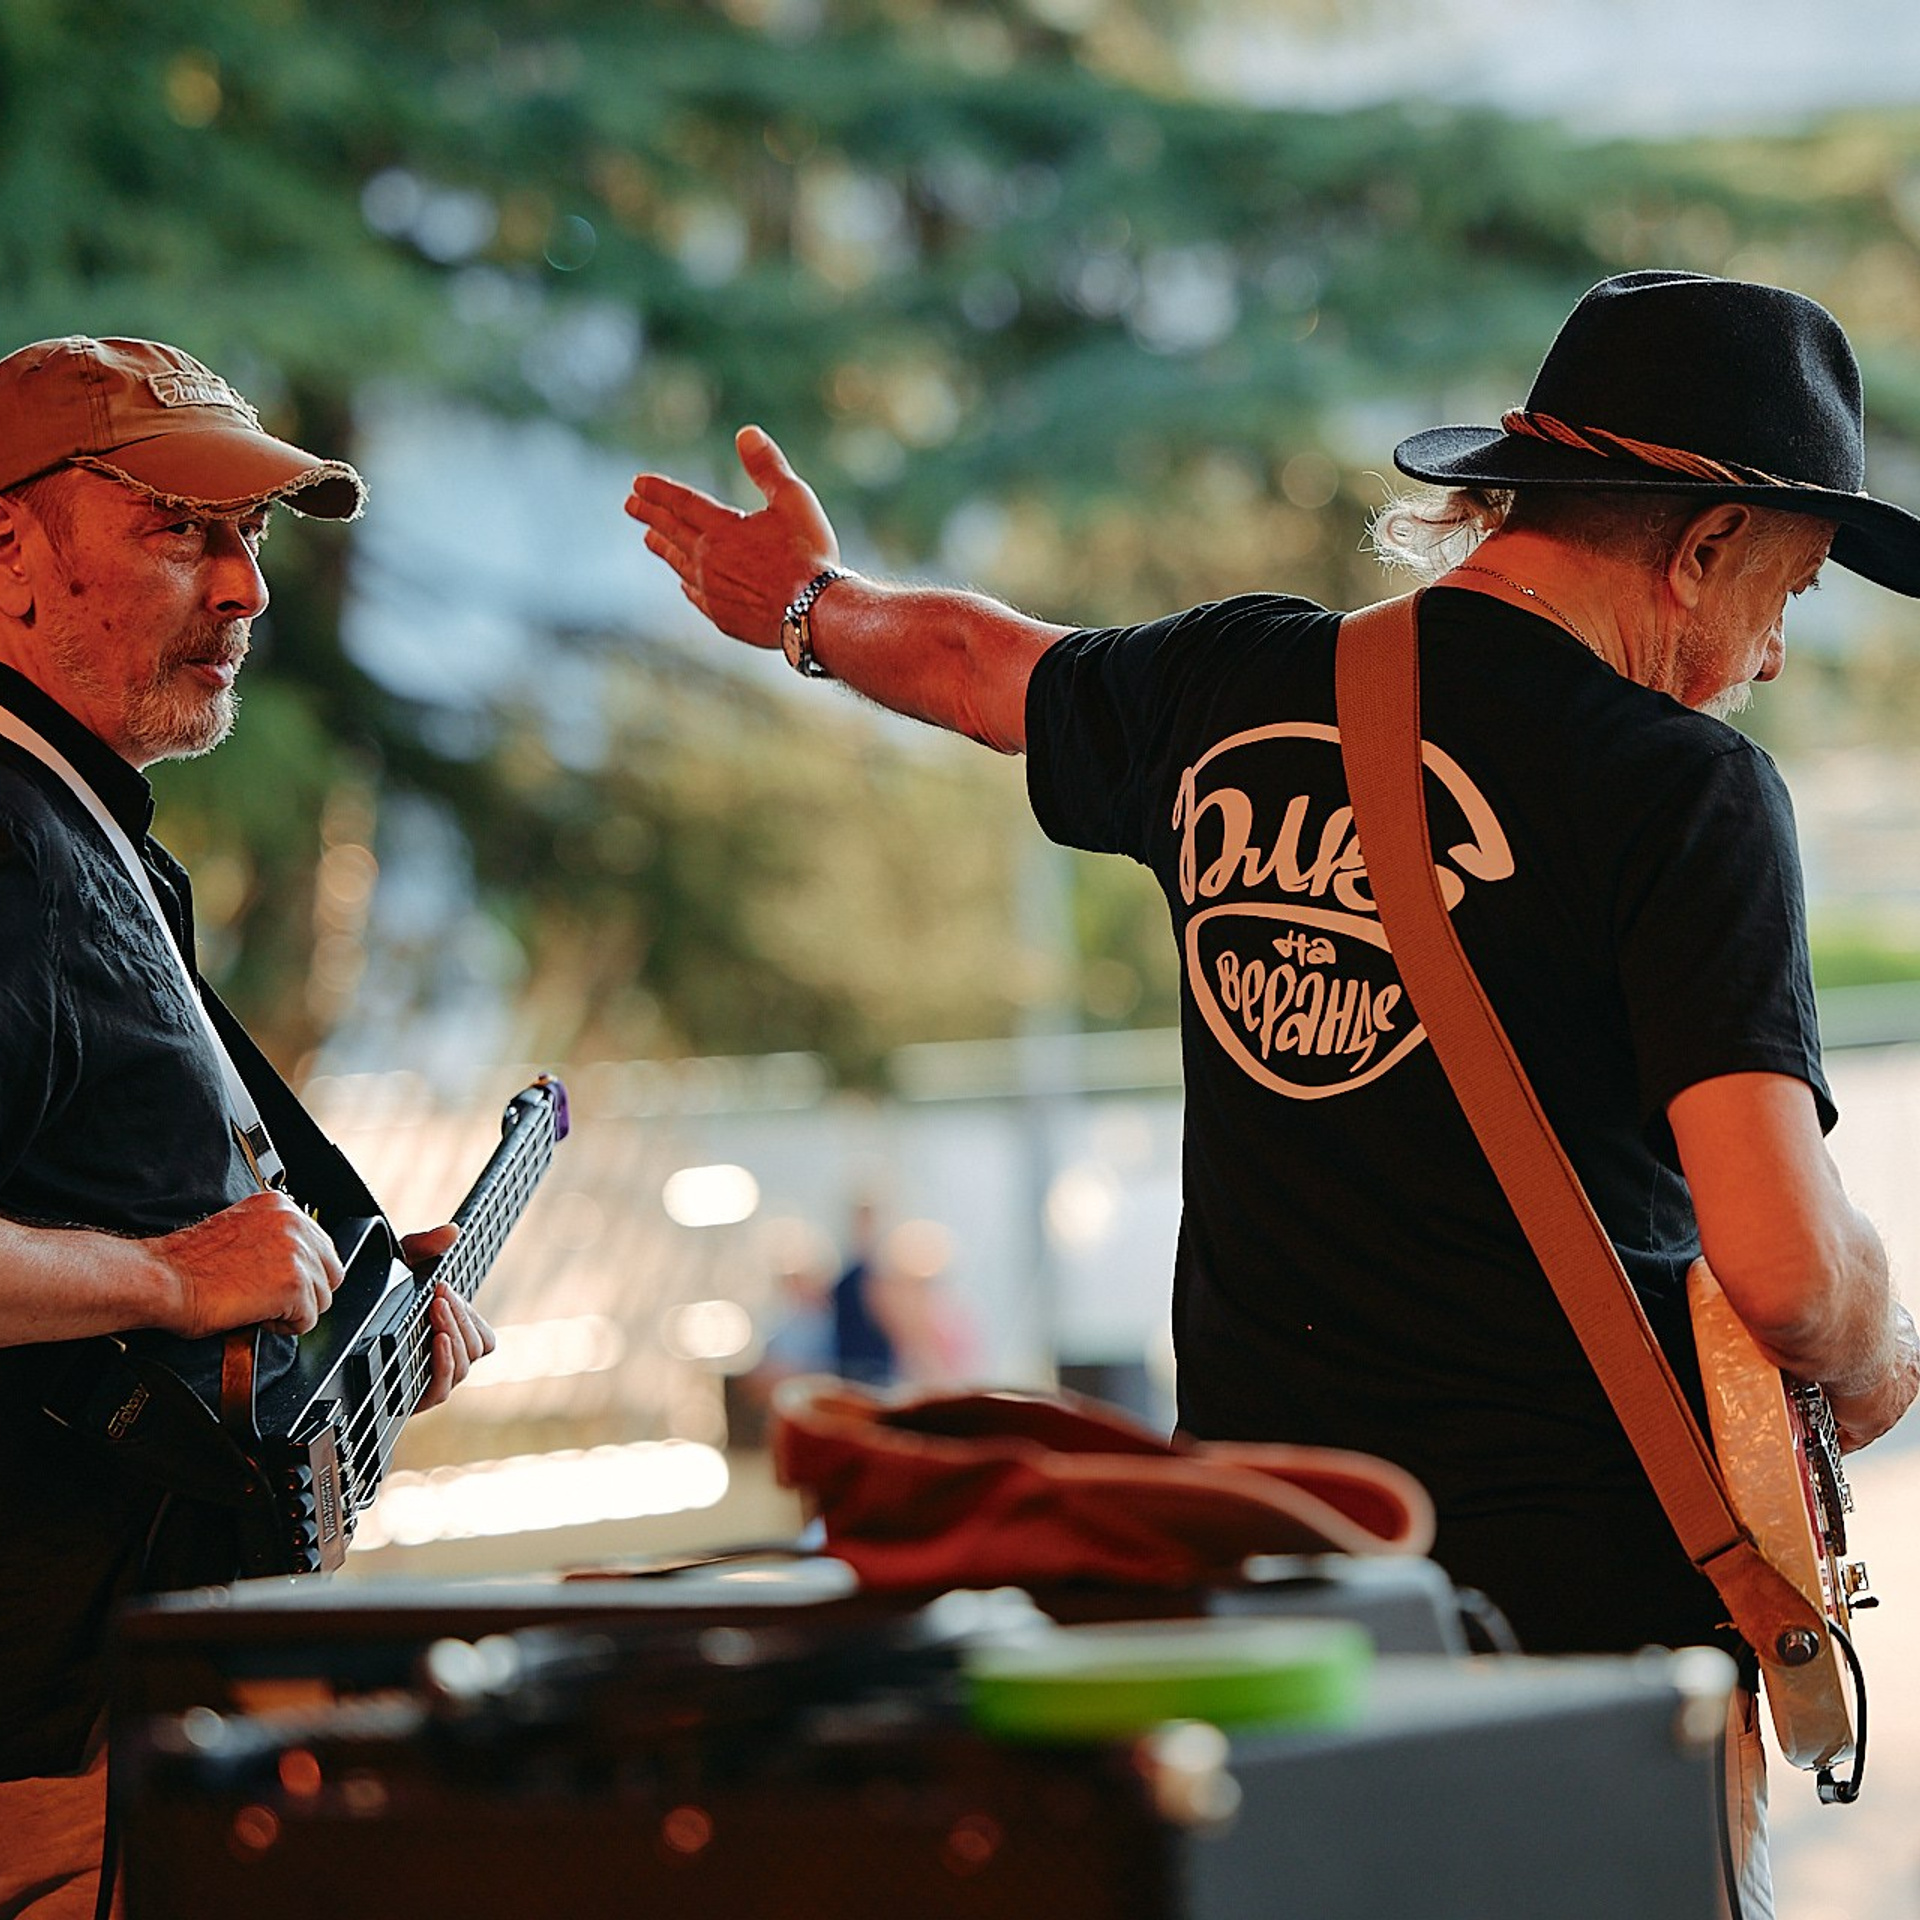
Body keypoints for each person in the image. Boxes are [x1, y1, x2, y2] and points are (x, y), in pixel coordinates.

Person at [628, 270, 1920, 1915]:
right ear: (1707, 542)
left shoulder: (1234, 687)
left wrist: (803, 601)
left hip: (1271, 1593)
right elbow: (1792, 1273)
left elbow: (969, 661)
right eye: (1791, 593)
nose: (1777, 658)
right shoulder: (1685, 792)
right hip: (1580, 1644)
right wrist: (1880, 1359)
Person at [0, 335, 496, 1917]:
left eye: (251, 538)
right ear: (10, 558)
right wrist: (168, 1282)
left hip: (146, 1728)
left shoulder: (78, 828)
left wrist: (346, 1321)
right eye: (179, 530)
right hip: (59, 1769)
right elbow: (172, 1271)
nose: (246, 590)